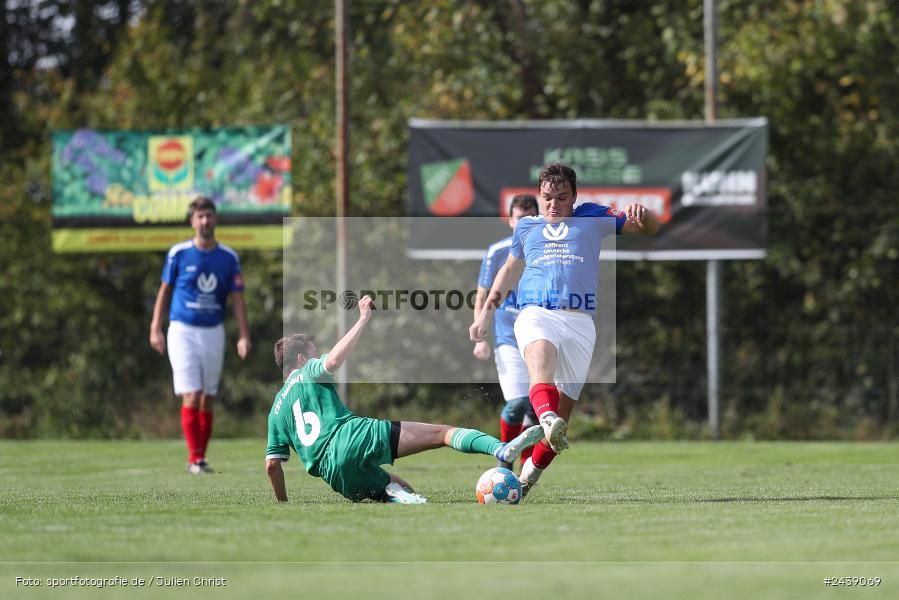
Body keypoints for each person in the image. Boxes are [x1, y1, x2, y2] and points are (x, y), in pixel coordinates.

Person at [469, 163, 659, 498]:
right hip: (536, 313)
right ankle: (546, 417)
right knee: (540, 363)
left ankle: (526, 479)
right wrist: (485, 313)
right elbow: (509, 271)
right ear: (539, 198)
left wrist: (644, 215)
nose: (553, 204)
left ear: (574, 198)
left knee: (561, 425)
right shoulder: (526, 227)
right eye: (547, 198)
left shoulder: (593, 217)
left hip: (580, 322)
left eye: (561, 197)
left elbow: (648, 229)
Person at [265, 295, 544, 504]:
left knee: (399, 487)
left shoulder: (276, 411)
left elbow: (272, 466)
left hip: (332, 473)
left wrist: (284, 505)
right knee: (441, 433)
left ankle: (398, 496)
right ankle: (500, 449)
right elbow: (334, 360)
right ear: (301, 359)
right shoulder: (309, 372)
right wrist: (362, 319)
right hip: (350, 436)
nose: (318, 356)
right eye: (314, 353)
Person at [149, 196, 251, 474]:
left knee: (207, 397)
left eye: (209, 215)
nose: (205, 221)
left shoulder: (229, 257)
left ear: (215, 219)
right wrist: (155, 327)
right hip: (182, 329)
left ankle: (200, 457)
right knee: (192, 394)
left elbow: (238, 298)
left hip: (213, 332)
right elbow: (164, 291)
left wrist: (243, 335)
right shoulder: (178, 253)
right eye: (200, 216)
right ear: (192, 221)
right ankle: (194, 459)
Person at [473, 194, 539, 472]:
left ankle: (524, 474)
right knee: (518, 404)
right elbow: (482, 296)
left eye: (529, 218)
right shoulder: (498, 252)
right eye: (518, 218)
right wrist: (480, 336)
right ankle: (504, 466)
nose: (523, 223)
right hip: (508, 341)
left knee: (536, 411)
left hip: (538, 338)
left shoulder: (547, 250)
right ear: (509, 220)